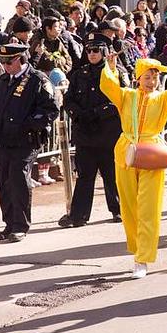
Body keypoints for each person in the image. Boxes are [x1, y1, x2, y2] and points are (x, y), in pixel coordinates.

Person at [99, 42, 167, 278]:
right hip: (126, 152)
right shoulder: (126, 95)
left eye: (155, 76)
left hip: (152, 154)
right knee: (129, 207)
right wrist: (109, 67)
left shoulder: (163, 99)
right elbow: (107, 86)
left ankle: (143, 259)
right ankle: (136, 249)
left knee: (149, 207)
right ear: (138, 77)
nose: (152, 80)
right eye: (148, 76)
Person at [0, 42, 59, 242]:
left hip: (24, 141)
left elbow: (50, 109)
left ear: (20, 59)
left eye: (9, 62)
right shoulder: (1, 82)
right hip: (2, 141)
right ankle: (9, 223)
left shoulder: (37, 80)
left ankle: (20, 225)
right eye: (3, 62)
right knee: (4, 180)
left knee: (18, 179)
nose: (5, 66)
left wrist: (29, 125)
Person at [59, 34, 123, 228]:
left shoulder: (115, 72)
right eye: (88, 50)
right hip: (85, 133)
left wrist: (96, 113)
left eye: (96, 50)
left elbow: (121, 99)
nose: (92, 54)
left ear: (104, 51)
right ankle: (78, 215)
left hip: (107, 133)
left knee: (111, 175)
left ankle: (119, 210)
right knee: (85, 176)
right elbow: (68, 99)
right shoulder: (80, 74)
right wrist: (78, 114)